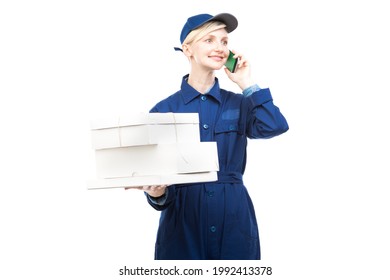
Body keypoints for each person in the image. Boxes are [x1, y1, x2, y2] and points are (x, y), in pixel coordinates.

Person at [139, 13, 288, 260]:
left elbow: (275, 125)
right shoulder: (163, 110)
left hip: (233, 218)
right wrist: (156, 194)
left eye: (224, 42)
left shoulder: (240, 103)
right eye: (209, 40)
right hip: (183, 223)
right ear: (187, 49)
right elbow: (156, 179)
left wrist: (246, 82)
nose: (220, 48)